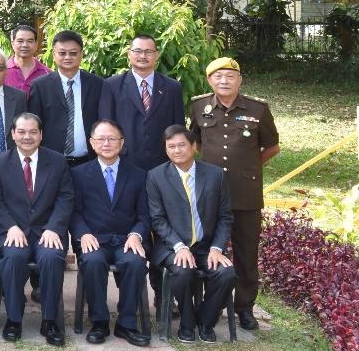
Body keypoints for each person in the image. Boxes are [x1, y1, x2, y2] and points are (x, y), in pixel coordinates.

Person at [189, 56, 278, 331]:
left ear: (240, 80)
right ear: (209, 80)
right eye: (218, 76)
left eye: (230, 76)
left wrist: (248, 168)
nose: (224, 81)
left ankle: (244, 308)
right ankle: (211, 305)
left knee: (246, 252)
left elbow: (272, 147)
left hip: (245, 192)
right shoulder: (198, 106)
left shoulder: (258, 109)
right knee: (207, 249)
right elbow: (196, 143)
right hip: (210, 193)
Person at [0, 112, 74, 346]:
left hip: (48, 231)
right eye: (22, 132)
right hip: (13, 230)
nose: (27, 137)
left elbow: (66, 198)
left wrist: (54, 228)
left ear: (41, 135)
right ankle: (14, 319)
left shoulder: (57, 161)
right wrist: (10, 226)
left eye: (33, 132)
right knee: (13, 259)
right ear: (13, 134)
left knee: (51, 258)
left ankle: (50, 320)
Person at [146, 125, 236, 344]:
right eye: (171, 146)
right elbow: (157, 219)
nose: (177, 150)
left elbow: (225, 216)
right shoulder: (156, 176)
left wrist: (217, 247)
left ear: (194, 146)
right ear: (166, 150)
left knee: (227, 273)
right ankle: (187, 323)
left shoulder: (215, 175)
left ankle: (206, 321)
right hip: (172, 246)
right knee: (182, 270)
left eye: (182, 145)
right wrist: (179, 246)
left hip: (207, 247)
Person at [70, 119, 151, 346]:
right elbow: (73, 212)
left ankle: (126, 324)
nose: (106, 143)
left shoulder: (138, 175)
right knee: (93, 262)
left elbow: (145, 215)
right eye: (101, 139)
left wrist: (136, 234)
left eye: (112, 138)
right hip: (94, 239)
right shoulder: (78, 174)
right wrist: (83, 233)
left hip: (127, 240)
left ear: (122, 142)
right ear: (92, 143)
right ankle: (99, 322)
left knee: (135, 263)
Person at [99, 33, 185, 172]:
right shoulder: (112, 85)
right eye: (138, 51)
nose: (143, 56)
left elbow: (178, 128)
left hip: (162, 164)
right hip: (124, 162)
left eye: (148, 52)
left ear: (157, 55)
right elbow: (106, 125)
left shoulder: (172, 87)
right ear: (129, 54)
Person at [28, 30, 103, 167]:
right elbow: (34, 125)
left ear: (81, 54)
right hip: (51, 162)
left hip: (89, 161)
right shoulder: (40, 86)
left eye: (73, 53)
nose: (67, 57)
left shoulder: (98, 84)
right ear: (54, 55)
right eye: (62, 53)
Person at [5, 24, 50, 98]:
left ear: (36, 45)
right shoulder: (1, 71)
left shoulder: (47, 73)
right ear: (12, 44)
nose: (25, 45)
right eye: (20, 41)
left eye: (30, 41)